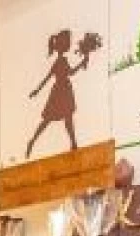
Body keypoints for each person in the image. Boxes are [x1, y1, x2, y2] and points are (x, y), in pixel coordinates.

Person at [27, 30, 93, 159]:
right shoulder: (60, 61)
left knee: (67, 118)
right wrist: (81, 63)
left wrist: (85, 59)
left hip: (63, 91)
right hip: (60, 92)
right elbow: (68, 73)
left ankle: (73, 144)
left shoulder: (62, 60)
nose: (69, 44)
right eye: (68, 42)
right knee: (48, 120)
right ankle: (33, 141)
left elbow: (48, 78)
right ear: (63, 45)